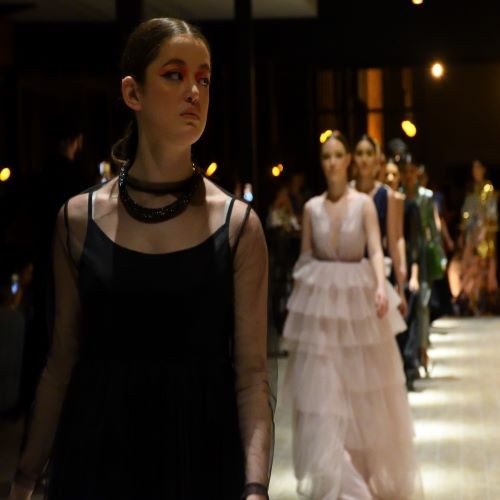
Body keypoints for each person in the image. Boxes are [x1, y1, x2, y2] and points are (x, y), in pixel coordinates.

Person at [10, 17, 273, 500]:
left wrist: (256, 488)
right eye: (174, 75)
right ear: (133, 92)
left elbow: (252, 376)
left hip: (200, 456)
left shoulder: (238, 226)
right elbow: (61, 360)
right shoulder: (78, 220)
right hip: (96, 457)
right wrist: (25, 479)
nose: (194, 91)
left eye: (204, 79)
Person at [283, 130, 421, 499]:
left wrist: (381, 285)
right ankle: (341, 482)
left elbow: (376, 249)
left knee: (363, 393)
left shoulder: (363, 205)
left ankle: (361, 477)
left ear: (348, 161)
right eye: (326, 156)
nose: (332, 163)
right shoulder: (311, 208)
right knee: (325, 395)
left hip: (357, 303)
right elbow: (305, 257)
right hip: (323, 309)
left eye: (337, 156)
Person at [352, 135, 407, 316]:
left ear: (377, 160)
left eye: (369, 153)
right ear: (353, 158)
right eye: (360, 153)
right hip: (350, 274)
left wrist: (401, 288)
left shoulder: (386, 195)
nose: (364, 159)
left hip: (377, 272)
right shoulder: (347, 191)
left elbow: (392, 241)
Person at [458, 159, 498, 315]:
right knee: (471, 265)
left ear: (483, 169)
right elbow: (466, 214)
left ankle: (470, 298)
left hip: (484, 234)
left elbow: (491, 212)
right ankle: (469, 299)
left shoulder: (487, 188)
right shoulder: (472, 189)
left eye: (478, 168)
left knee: (482, 265)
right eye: (473, 168)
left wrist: (484, 231)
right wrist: (463, 233)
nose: (475, 171)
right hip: (471, 233)